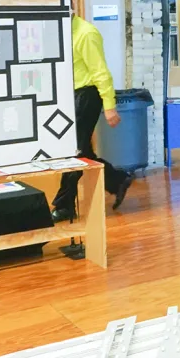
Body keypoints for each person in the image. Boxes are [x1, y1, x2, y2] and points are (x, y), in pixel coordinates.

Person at [51, 14, 132, 221]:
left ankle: (64, 205)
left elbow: (101, 72)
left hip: (88, 95)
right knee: (81, 150)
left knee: (75, 151)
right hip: (71, 96)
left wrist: (109, 106)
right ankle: (117, 179)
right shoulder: (58, 31)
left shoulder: (87, 33)